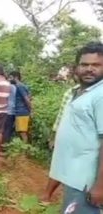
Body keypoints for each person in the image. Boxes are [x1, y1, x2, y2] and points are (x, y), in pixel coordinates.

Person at [42, 42, 103, 213]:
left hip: (87, 181)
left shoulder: (100, 96)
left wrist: (100, 186)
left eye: (96, 65)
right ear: (76, 68)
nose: (89, 69)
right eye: (84, 64)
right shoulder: (78, 92)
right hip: (73, 177)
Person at [10, 71, 32, 143]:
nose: (9, 79)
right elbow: (30, 97)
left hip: (21, 111)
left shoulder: (19, 86)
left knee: (22, 132)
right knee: (23, 132)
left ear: (16, 77)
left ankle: (24, 149)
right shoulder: (23, 86)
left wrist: (31, 110)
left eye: (10, 77)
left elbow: (27, 99)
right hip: (23, 111)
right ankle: (25, 149)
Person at [3, 72, 17, 143]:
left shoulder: (11, 86)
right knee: (8, 128)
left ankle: (5, 144)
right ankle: (6, 144)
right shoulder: (13, 87)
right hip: (11, 110)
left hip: (8, 110)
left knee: (7, 128)